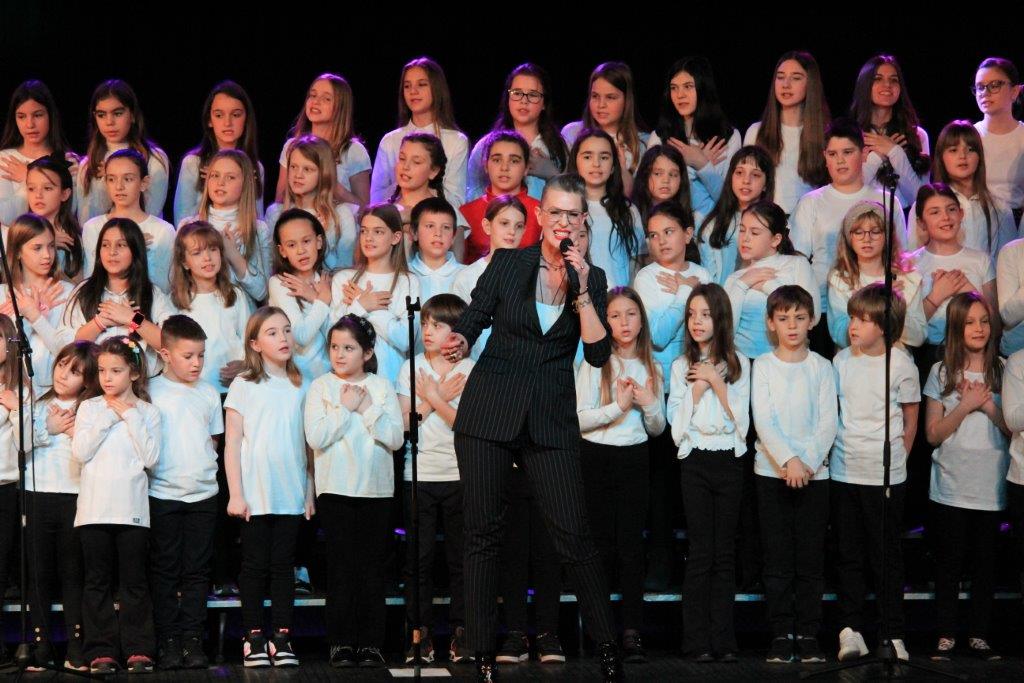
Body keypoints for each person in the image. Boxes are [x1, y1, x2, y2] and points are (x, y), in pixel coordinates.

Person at [440, 173, 623, 681]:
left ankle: (608, 648)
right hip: (490, 409)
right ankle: (481, 653)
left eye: (572, 214)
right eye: (555, 212)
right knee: (482, 533)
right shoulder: (508, 263)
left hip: (549, 417)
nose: (563, 221)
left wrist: (582, 290)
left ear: (583, 221)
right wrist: (460, 339)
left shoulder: (593, 278)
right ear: (539, 217)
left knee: (573, 533)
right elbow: (476, 315)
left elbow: (598, 353)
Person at [305, 315, 403, 668]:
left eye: (349, 348)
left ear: (367, 353)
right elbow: (316, 437)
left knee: (372, 570)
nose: (340, 354)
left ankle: (371, 643)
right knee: (342, 569)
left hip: (376, 492)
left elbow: (395, 438)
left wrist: (366, 408)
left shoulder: (381, 387)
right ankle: (341, 642)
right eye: (335, 347)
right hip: (336, 490)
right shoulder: (321, 387)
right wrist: (345, 410)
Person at [830, 284, 920, 662]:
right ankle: (850, 631)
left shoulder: (901, 364)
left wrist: (898, 460)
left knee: (886, 557)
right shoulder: (841, 361)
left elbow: (910, 420)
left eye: (863, 319)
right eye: (852, 317)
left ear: (883, 325)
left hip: (885, 474)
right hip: (845, 470)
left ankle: (892, 633)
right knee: (848, 554)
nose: (853, 326)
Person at [577, 286, 665, 663]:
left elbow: (657, 428)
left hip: (634, 457)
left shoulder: (652, 366)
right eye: (614, 316)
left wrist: (649, 404)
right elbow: (578, 419)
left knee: (631, 547)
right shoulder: (595, 362)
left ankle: (631, 630)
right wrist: (618, 407)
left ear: (641, 320)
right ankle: (601, 632)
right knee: (599, 545)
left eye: (630, 314)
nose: (623, 322)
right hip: (596, 456)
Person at [224, 307, 313, 668]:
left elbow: (308, 444)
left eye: (287, 330)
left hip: (290, 490)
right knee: (254, 565)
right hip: (255, 492)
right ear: (255, 344)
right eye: (273, 332)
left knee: (283, 566)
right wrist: (236, 493)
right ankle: (253, 636)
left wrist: (309, 490)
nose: (283, 338)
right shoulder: (244, 384)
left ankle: (282, 636)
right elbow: (232, 442)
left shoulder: (301, 383)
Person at [752, 285, 836, 664]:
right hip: (772, 474)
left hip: (814, 475)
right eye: (783, 318)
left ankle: (808, 632)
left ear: (812, 321)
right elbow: (764, 419)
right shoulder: (763, 365)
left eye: (799, 318)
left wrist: (807, 462)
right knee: (778, 558)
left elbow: (827, 423)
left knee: (810, 558)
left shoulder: (822, 367)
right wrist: (788, 461)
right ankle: (781, 632)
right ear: (771, 323)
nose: (792, 325)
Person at [923, 293, 1008, 661]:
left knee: (985, 564)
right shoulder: (941, 372)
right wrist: (964, 407)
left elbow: (1012, 428)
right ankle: (945, 633)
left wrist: (986, 405)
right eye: (970, 322)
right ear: (956, 328)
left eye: (984, 321)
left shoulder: (1003, 370)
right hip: (951, 484)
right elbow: (932, 434)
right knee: (949, 563)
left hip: (990, 485)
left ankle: (978, 634)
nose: (978, 328)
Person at [667, 283, 750, 661]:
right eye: (691, 314)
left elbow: (743, 421)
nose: (697, 321)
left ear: (721, 318)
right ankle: (696, 641)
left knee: (724, 552)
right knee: (701, 551)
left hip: (729, 460)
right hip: (695, 461)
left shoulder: (739, 363)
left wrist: (717, 381)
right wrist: (699, 387)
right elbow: (676, 425)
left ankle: (725, 640)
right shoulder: (679, 366)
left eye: (705, 314)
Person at [72, 336, 161, 674]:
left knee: (134, 582)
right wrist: (109, 417)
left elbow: (151, 458)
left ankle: (139, 648)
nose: (107, 378)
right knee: (97, 581)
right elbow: (80, 451)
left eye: (116, 371)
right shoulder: (90, 408)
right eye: (102, 371)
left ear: (134, 373)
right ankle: (101, 650)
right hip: (94, 509)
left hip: (132, 509)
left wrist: (131, 416)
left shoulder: (148, 412)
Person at [396, 295, 474, 664]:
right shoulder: (410, 368)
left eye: (438, 325)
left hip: (459, 473)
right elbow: (404, 424)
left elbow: (466, 424)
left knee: (461, 558)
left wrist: (432, 399)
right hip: (419, 474)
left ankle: (462, 632)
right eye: (425, 323)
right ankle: (419, 634)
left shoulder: (469, 369)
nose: (428, 331)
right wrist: (435, 396)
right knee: (419, 559)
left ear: (456, 332)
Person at [148, 315, 223, 670]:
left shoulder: (208, 393)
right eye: (188, 356)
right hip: (162, 493)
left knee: (196, 571)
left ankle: (193, 639)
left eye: (201, 356)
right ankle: (167, 640)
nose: (196, 363)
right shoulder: (150, 391)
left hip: (202, 495)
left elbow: (213, 440)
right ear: (165, 354)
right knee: (164, 570)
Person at [24, 342, 93, 672]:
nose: (63, 374)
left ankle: (76, 646)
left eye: (75, 371)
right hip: (37, 493)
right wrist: (47, 429)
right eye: (62, 365)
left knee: (72, 573)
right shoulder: (36, 403)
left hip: (74, 496)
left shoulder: (90, 409)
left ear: (88, 379)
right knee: (39, 573)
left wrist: (75, 430)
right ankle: (41, 646)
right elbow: (21, 444)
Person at [370, 57, 468, 207]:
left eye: (421, 85)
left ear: (436, 88)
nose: (413, 91)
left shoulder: (456, 141)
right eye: (407, 86)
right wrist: (403, 185)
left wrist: (420, 190)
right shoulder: (390, 140)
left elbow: (456, 200)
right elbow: (376, 198)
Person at [466, 63, 567, 200]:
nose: (524, 101)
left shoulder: (557, 147)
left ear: (544, 103)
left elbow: (572, 195)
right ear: (508, 99)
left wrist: (552, 174)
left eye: (533, 95)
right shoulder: (486, 145)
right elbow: (473, 192)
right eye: (517, 93)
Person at [745, 51, 830, 214]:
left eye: (796, 78)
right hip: (765, 221)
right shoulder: (756, 132)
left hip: (809, 221)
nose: (786, 84)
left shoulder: (824, 135)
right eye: (780, 77)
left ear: (810, 84)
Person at [174, 80, 264, 225]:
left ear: (246, 119)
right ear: (209, 120)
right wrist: (212, 183)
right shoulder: (193, 163)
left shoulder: (255, 166)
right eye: (219, 115)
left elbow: (257, 220)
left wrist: (244, 186)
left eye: (236, 115)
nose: (227, 123)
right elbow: (181, 220)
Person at [274, 73, 370, 207]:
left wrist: (332, 185)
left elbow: (364, 208)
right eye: (313, 95)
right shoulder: (292, 146)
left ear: (340, 107)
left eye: (326, 99)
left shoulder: (353, 151)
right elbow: (280, 199)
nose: (316, 102)